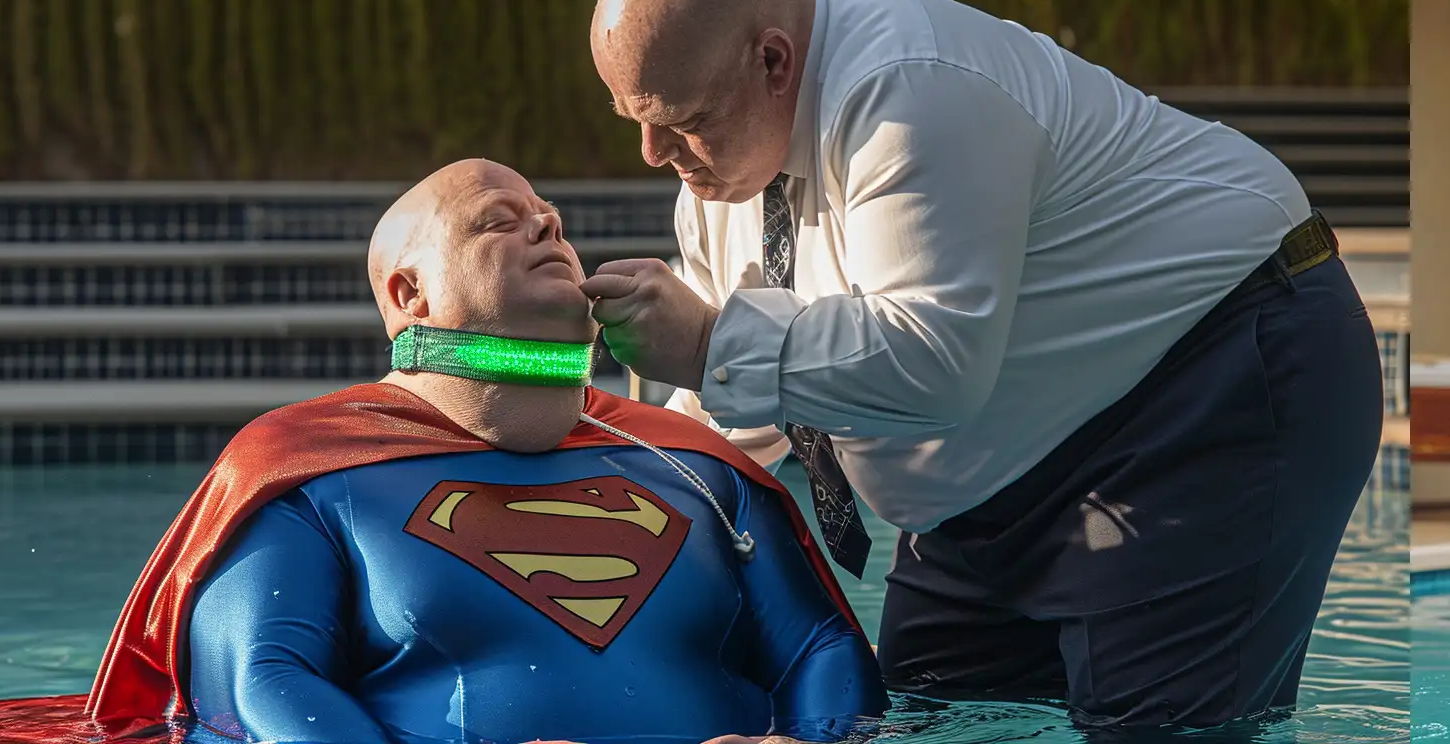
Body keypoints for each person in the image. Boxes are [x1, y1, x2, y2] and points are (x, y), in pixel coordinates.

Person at [576, 0, 1383, 732]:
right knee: (932, 721)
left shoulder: (912, 88)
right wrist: (622, 521)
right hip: (990, 488)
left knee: (1155, 729)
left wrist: (712, 343)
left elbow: (934, 365)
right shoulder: (718, 184)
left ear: (774, 61)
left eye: (682, 120)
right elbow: (734, 416)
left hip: (1213, 376)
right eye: (631, 121)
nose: (653, 154)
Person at [64, 160, 881, 744]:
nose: (547, 224)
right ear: (408, 294)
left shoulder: (692, 462)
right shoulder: (300, 470)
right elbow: (255, 691)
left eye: (550, 217)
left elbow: (826, 650)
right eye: (499, 219)